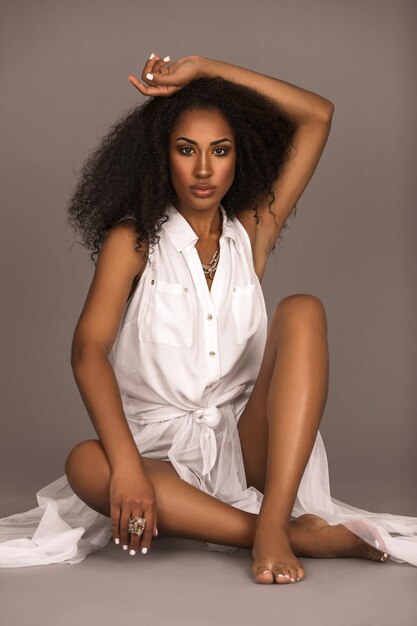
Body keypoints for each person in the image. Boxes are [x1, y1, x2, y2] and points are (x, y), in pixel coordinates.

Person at [1, 53, 416, 582]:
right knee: (87, 464)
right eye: (186, 150)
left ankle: (270, 521)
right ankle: (276, 532)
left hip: (247, 447)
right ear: (162, 157)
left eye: (220, 151)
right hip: (158, 457)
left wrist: (203, 70)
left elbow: (317, 115)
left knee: (304, 309)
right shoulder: (133, 242)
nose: (203, 170)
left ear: (238, 157)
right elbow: (87, 351)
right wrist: (127, 467)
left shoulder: (252, 231)